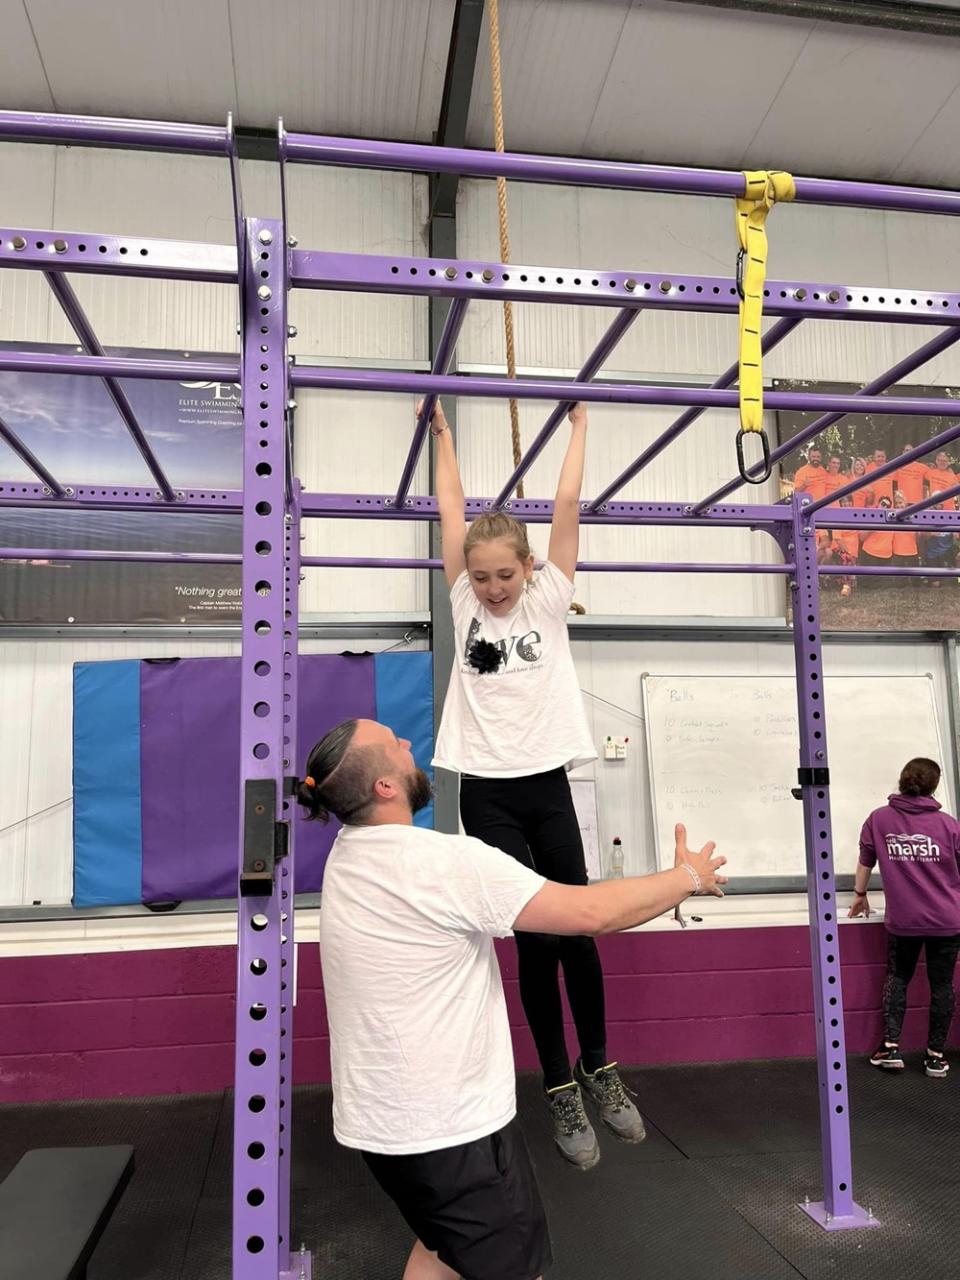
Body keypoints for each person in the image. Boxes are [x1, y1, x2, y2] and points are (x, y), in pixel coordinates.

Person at [297, 717, 727, 1280]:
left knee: (440, 1248)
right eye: (394, 745)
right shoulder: (445, 863)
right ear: (383, 787)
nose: (407, 744)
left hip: (381, 1131)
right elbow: (590, 914)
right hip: (450, 1135)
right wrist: (686, 877)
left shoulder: (348, 855)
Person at [429, 396, 648, 1168]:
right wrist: (445, 436)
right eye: (481, 577)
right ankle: (558, 1084)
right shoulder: (463, 602)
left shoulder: (550, 596)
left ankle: (600, 1065)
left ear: (529, 568)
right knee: (533, 939)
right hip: (484, 789)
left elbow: (562, 506)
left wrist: (579, 429)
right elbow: (450, 507)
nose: (491, 588)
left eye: (503, 575)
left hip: (545, 782)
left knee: (577, 927)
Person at [849, 757, 960, 1078]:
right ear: (934, 786)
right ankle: (935, 1058)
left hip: (905, 921)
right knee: (942, 985)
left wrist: (859, 895)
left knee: (898, 978)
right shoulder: (949, 825)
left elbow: (865, 861)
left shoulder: (879, 819)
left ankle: (891, 1048)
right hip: (947, 921)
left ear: (902, 781)